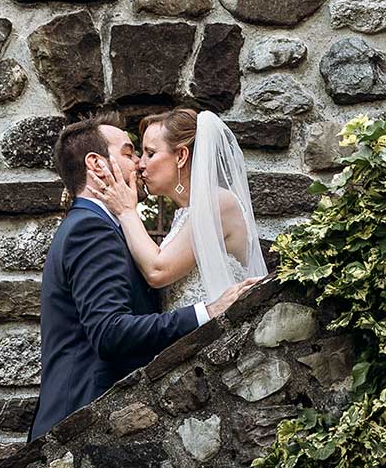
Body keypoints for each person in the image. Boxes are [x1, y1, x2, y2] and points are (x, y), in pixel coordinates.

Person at [29, 111, 260, 441]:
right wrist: (206, 312)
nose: (138, 163)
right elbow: (111, 329)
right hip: (83, 418)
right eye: (130, 152)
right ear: (96, 166)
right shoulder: (91, 229)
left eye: (147, 153)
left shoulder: (111, 227)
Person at [86, 107, 269, 315]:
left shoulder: (219, 203)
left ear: (181, 156)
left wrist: (126, 210)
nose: (140, 164)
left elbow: (157, 271)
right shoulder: (185, 214)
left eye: (150, 153)